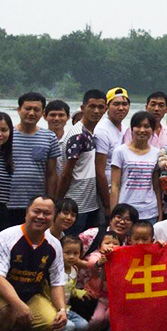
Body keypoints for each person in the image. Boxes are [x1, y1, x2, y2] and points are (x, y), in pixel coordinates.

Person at [0, 196, 67, 331]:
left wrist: (62, 310)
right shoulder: (6, 237)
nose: (41, 217)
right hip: (0, 295)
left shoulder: (54, 244)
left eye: (47, 213)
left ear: (53, 218)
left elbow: (57, 282)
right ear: (26, 213)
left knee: (53, 323)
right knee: (6, 311)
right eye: (36, 211)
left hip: (31, 295)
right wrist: (18, 304)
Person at [57, 89, 107, 235]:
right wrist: (58, 203)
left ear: (105, 109)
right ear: (83, 108)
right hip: (76, 203)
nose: (96, 111)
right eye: (92, 106)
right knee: (71, 242)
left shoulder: (89, 132)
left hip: (89, 202)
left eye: (100, 107)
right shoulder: (78, 135)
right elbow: (66, 173)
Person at [7, 92, 60, 225]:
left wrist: (50, 202)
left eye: (36, 110)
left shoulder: (49, 137)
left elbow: (51, 174)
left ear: (42, 113)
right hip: (7, 202)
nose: (31, 113)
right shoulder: (7, 135)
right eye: (27, 108)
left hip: (37, 206)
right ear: (19, 110)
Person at [110, 111, 163, 224]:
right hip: (125, 210)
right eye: (138, 126)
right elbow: (115, 185)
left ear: (152, 130)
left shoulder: (157, 153)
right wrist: (113, 213)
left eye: (147, 126)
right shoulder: (120, 151)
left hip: (149, 211)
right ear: (132, 128)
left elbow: (156, 187)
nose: (142, 130)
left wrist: (160, 212)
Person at [94, 87, 130, 219]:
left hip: (122, 192)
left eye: (124, 104)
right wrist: (107, 203)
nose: (121, 108)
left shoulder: (125, 129)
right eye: (116, 104)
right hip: (107, 193)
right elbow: (99, 171)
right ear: (106, 107)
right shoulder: (102, 130)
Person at [82, 230, 119, 331]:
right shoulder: (97, 255)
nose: (111, 246)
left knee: (108, 317)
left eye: (115, 243)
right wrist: (100, 262)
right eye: (107, 243)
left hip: (114, 298)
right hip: (100, 297)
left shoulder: (121, 256)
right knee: (97, 319)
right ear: (99, 247)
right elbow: (91, 263)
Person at [57, 236, 89, 331]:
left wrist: (78, 292)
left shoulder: (74, 270)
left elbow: (70, 288)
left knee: (83, 325)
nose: (71, 257)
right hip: (53, 308)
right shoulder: (56, 270)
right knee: (68, 326)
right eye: (67, 253)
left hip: (67, 309)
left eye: (76, 253)